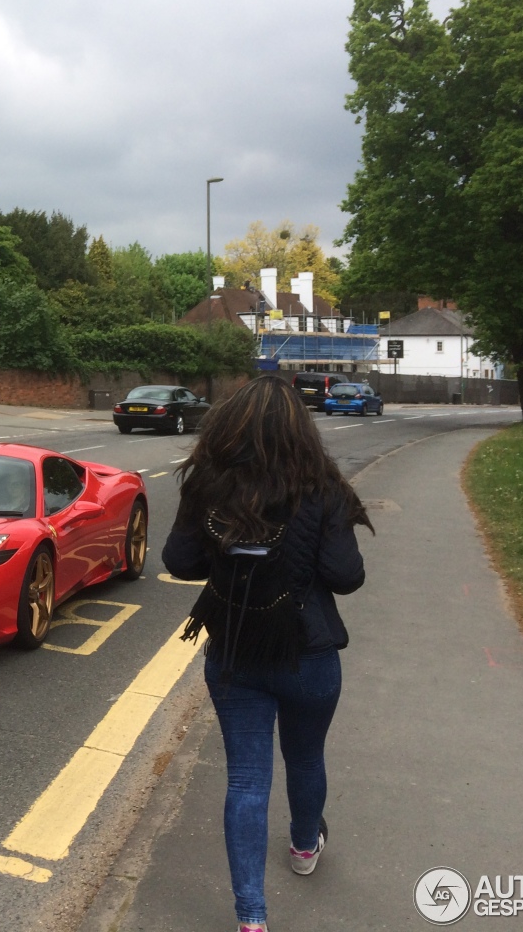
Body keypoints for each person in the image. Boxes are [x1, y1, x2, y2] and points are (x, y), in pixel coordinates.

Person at [161, 375, 373, 932]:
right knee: (305, 757)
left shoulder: (208, 485)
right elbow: (346, 577)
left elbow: (179, 562)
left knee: (246, 780)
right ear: (300, 430)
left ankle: (251, 917)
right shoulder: (323, 487)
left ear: (230, 426)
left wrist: (232, 554)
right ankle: (306, 845)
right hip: (311, 653)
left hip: (235, 649)